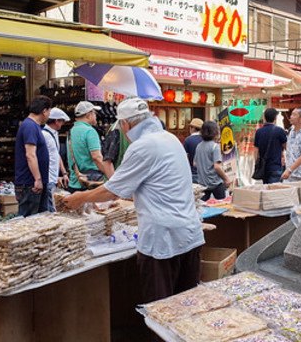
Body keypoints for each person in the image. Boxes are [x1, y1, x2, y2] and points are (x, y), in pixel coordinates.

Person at [62, 98, 204, 308]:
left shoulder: (142, 146)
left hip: (162, 240)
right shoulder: (170, 138)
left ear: (126, 125)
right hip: (190, 233)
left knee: (160, 310)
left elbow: (111, 191)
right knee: (187, 307)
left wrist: (78, 198)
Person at [14, 95, 52, 216]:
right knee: (29, 222)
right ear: (44, 111)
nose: (49, 114)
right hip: (30, 183)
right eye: (49, 111)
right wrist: (38, 179)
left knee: (38, 221)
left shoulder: (33, 126)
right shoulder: (30, 126)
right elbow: (30, 155)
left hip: (32, 183)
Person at [67, 101, 107, 191]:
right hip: (91, 184)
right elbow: (97, 157)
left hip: (75, 182)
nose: (96, 116)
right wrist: (109, 174)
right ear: (88, 115)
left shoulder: (71, 131)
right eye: (95, 113)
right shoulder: (90, 131)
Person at [42, 108, 70, 212]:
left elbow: (56, 155)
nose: (63, 124)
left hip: (53, 178)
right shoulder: (44, 135)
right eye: (62, 121)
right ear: (56, 121)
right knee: (51, 209)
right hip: (48, 178)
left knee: (53, 206)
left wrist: (64, 173)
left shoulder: (54, 134)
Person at [195, 121, 230, 201]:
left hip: (203, 183)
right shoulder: (215, 146)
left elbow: (195, 163)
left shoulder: (199, 146)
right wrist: (226, 178)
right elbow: (217, 166)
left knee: (203, 207)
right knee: (221, 206)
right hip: (216, 183)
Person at [253, 108, 287, 184]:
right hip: (276, 166)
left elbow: (256, 151)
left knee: (266, 190)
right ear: (275, 118)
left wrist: (257, 163)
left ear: (265, 117)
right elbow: (286, 147)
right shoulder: (280, 131)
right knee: (274, 191)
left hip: (264, 167)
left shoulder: (259, 131)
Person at [183, 118, 204, 184]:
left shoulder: (188, 140)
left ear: (193, 128)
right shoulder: (205, 139)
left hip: (192, 172)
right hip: (204, 173)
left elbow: (185, 158)